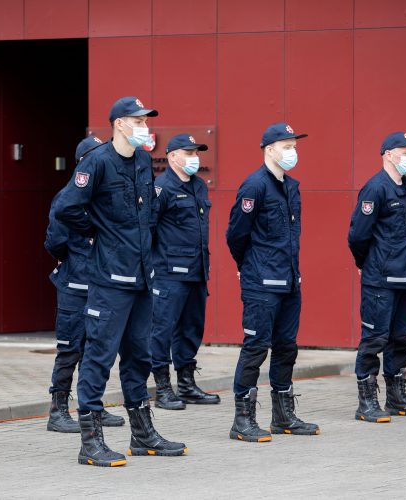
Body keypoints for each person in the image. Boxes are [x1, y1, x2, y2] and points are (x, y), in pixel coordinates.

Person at [55, 96, 187, 467]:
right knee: (98, 356)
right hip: (110, 279)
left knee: (138, 357)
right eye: (138, 120)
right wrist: (98, 234)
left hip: (142, 277)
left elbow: (145, 215)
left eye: (146, 120)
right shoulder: (96, 162)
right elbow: (67, 207)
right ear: (118, 124)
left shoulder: (144, 160)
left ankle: (143, 434)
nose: (145, 126)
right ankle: (91, 442)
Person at [226, 123, 319, 442]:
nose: (293, 152)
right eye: (287, 146)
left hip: (290, 281)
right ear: (269, 150)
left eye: (295, 146)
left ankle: (283, 415)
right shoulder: (254, 186)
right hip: (261, 282)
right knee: (255, 348)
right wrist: (248, 266)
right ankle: (243, 419)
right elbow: (236, 234)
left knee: (286, 348)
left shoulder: (291, 186)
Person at [348, 131, 406, 423]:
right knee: (374, 339)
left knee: (401, 339)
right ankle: (367, 402)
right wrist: (366, 263)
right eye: (405, 152)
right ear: (388, 154)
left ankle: (397, 397)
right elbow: (358, 235)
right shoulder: (375, 189)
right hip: (380, 280)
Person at [44, 136, 124, 433]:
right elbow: (55, 241)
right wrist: (78, 261)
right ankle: (58, 409)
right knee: (70, 347)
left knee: (98, 348)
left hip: (101, 284)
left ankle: (92, 407)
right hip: (75, 284)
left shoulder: (105, 198)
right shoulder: (68, 196)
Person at [150, 134, 220, 410]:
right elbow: (150, 230)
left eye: (196, 152)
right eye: (188, 153)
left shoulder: (199, 186)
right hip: (169, 272)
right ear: (172, 157)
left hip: (197, 270)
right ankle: (163, 388)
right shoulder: (162, 187)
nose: (194, 157)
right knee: (162, 330)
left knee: (191, 328)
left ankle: (187, 383)